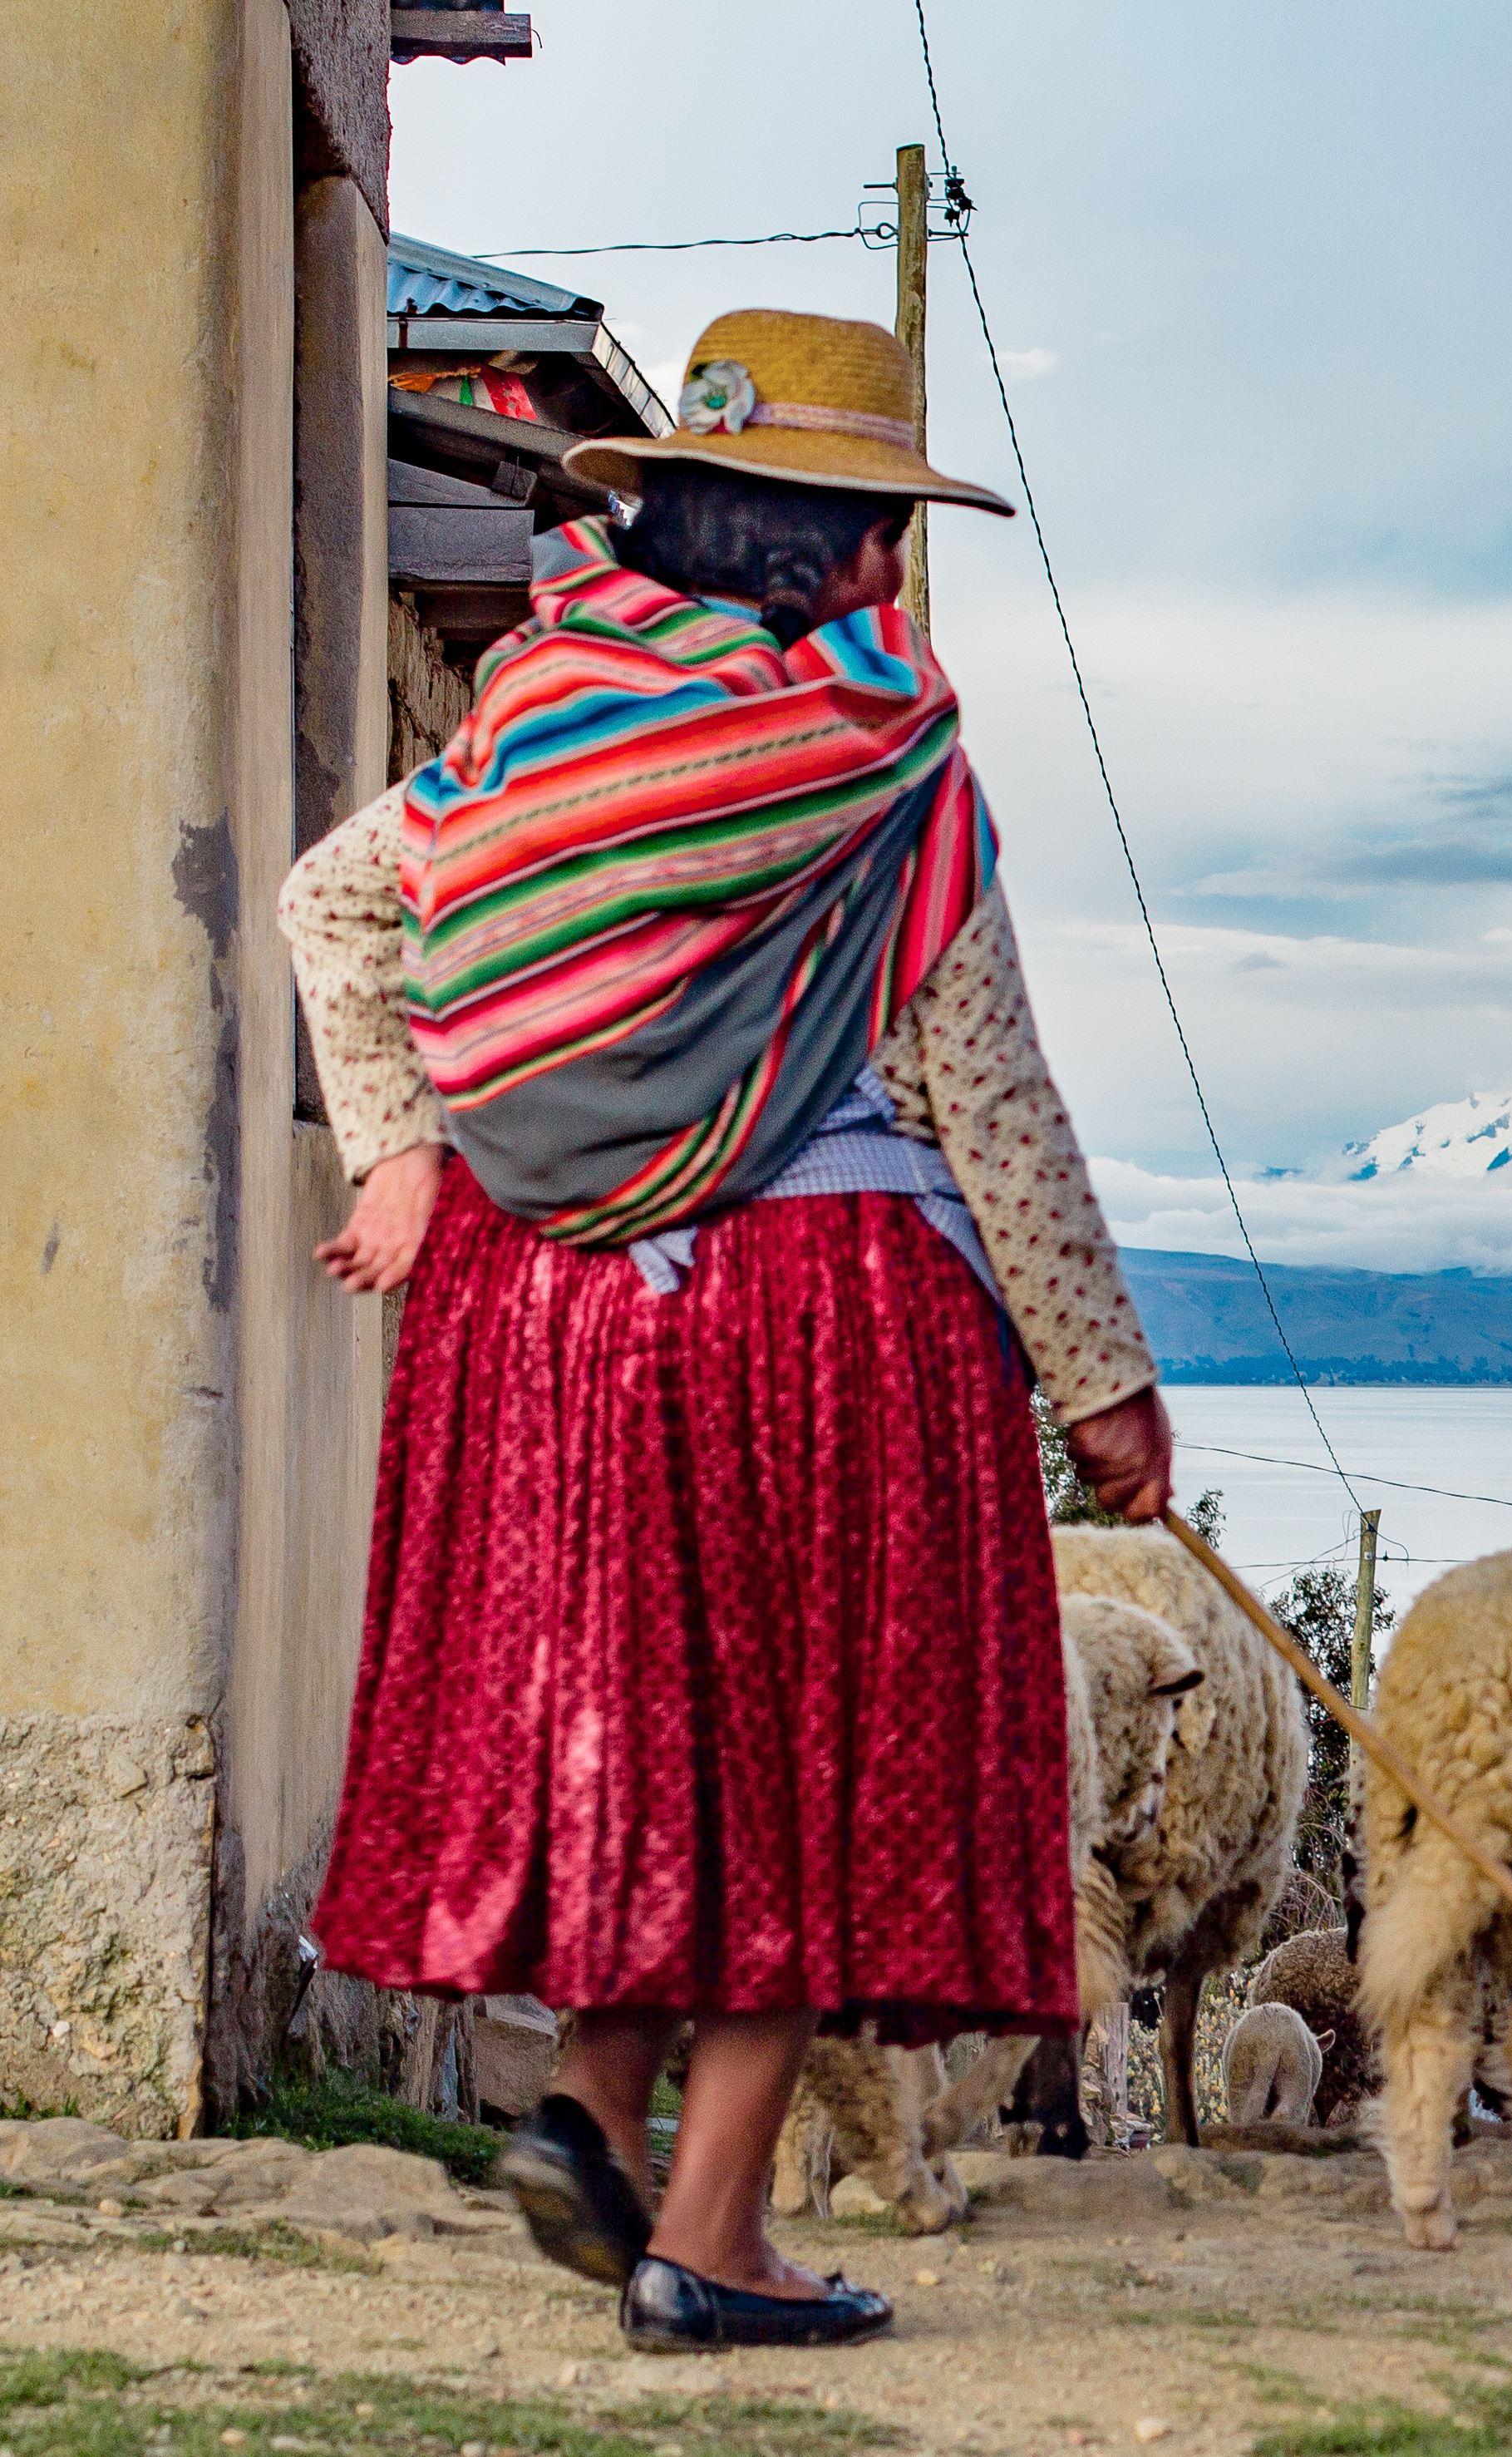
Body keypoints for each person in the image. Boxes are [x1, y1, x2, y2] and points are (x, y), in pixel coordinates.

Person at [279, 308, 1170, 2352]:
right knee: (799, 1758)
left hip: (548, 1319)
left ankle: (593, 2111)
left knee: (650, 1739)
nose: (891, 573)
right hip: (815, 1309)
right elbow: (992, 1094)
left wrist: (402, 1149)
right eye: (877, 531)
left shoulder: (538, 713)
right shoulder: (884, 762)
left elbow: (339, 905)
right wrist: (1104, 1379)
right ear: (833, 545)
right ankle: (714, 2235)